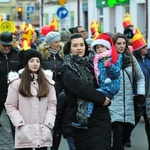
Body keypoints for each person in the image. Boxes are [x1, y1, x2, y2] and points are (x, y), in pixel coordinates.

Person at [61, 33, 111, 150]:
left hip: (100, 116)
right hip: (82, 119)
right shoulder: (67, 68)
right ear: (69, 49)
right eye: (75, 45)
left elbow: (105, 82)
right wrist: (101, 98)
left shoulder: (94, 63)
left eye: (81, 45)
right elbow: (80, 87)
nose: (79, 48)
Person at [5, 49, 57, 150]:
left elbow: (52, 104)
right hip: (24, 130)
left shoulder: (47, 83)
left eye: (38, 61)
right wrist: (19, 123)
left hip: (43, 129)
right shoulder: (16, 83)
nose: (35, 64)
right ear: (26, 63)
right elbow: (10, 105)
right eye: (31, 61)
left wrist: (48, 123)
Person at [109, 33, 145, 150]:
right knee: (118, 133)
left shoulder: (131, 58)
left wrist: (140, 93)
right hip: (113, 103)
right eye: (118, 43)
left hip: (129, 103)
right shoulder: (108, 59)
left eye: (124, 43)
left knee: (126, 134)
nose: (122, 46)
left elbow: (140, 78)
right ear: (113, 44)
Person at [38, 31, 64, 150]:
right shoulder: (42, 56)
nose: (58, 44)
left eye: (59, 41)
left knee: (57, 124)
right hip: (45, 93)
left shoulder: (63, 55)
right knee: (44, 123)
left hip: (60, 93)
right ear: (49, 44)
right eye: (55, 42)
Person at [125, 45, 150, 149]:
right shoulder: (132, 59)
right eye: (144, 47)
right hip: (137, 95)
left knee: (148, 123)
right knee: (133, 121)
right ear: (138, 49)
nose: (147, 49)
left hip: (149, 96)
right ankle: (126, 137)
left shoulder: (149, 58)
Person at [0, 31, 22, 136]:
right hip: (0, 93)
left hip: (14, 95)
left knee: (15, 124)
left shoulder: (17, 55)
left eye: (9, 46)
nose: (6, 48)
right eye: (4, 45)